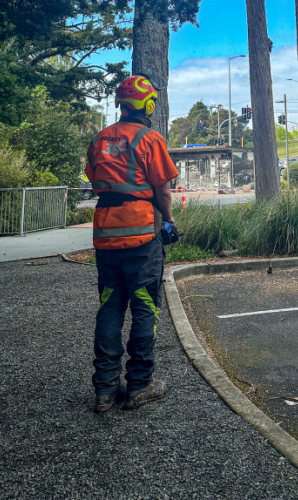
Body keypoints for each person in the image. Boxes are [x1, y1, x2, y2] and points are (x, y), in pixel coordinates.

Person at [85, 74, 179, 413]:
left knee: (110, 305)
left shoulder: (100, 138)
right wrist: (169, 220)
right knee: (144, 306)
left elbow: (94, 178)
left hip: (106, 235)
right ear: (148, 105)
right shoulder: (150, 139)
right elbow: (163, 190)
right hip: (141, 236)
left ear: (121, 105)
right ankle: (140, 384)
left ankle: (105, 389)